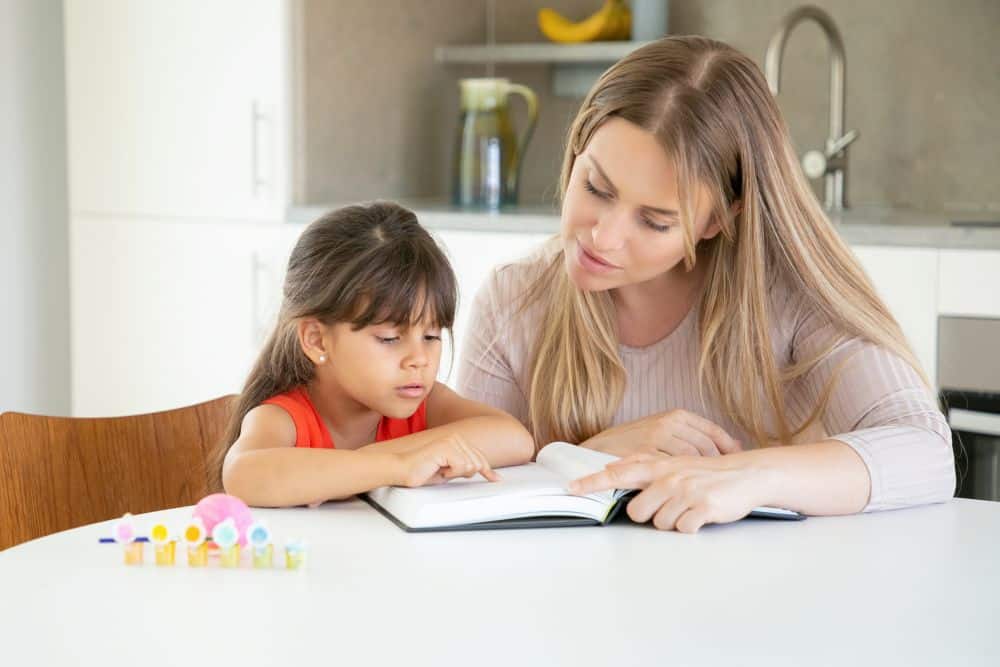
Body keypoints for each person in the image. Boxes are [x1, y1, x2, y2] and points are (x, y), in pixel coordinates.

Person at [457, 36, 954, 533]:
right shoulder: (514, 300)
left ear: (716, 220)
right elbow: (469, 489)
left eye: (654, 222)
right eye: (595, 187)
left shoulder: (789, 300)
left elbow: (925, 452)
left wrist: (745, 476)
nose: (603, 237)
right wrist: (593, 457)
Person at [216, 202, 534, 507]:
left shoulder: (425, 406)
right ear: (317, 341)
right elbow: (242, 474)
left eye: (431, 336)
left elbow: (515, 439)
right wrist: (396, 465)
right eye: (390, 338)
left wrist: (372, 463)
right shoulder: (283, 419)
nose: (419, 359)